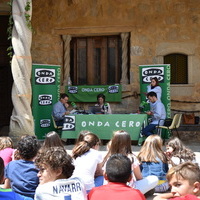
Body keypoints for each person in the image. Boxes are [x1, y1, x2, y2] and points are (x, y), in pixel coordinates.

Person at [102, 130, 158, 194]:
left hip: (109, 189)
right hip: (128, 190)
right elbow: (139, 177)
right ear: (128, 142)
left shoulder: (108, 157)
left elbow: (104, 175)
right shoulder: (131, 158)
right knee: (154, 178)